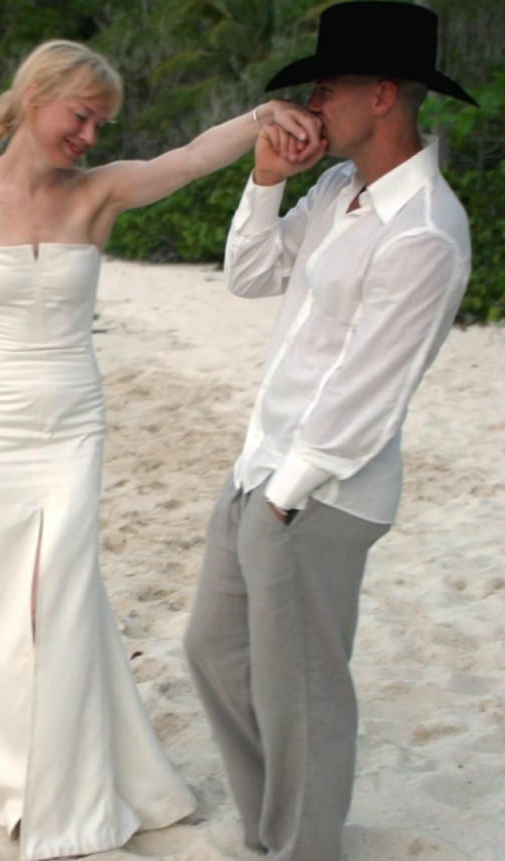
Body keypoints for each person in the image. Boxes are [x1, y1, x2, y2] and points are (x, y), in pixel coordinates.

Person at [0, 39, 321, 860]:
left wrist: (259, 118)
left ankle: (63, 781)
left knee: (64, 590)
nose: (91, 138)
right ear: (36, 95)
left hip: (74, 422)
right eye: (83, 117)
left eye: (102, 124)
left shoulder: (97, 195)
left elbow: (184, 160)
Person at [184, 3, 477, 859]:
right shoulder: (338, 187)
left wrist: (280, 501)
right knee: (213, 649)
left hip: (320, 492)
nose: (312, 105)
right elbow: (248, 275)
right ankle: (277, 830)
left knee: (302, 691)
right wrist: (268, 176)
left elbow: (367, 392)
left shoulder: (427, 230)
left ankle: (299, 848)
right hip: (261, 467)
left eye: (327, 87)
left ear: (383, 94)